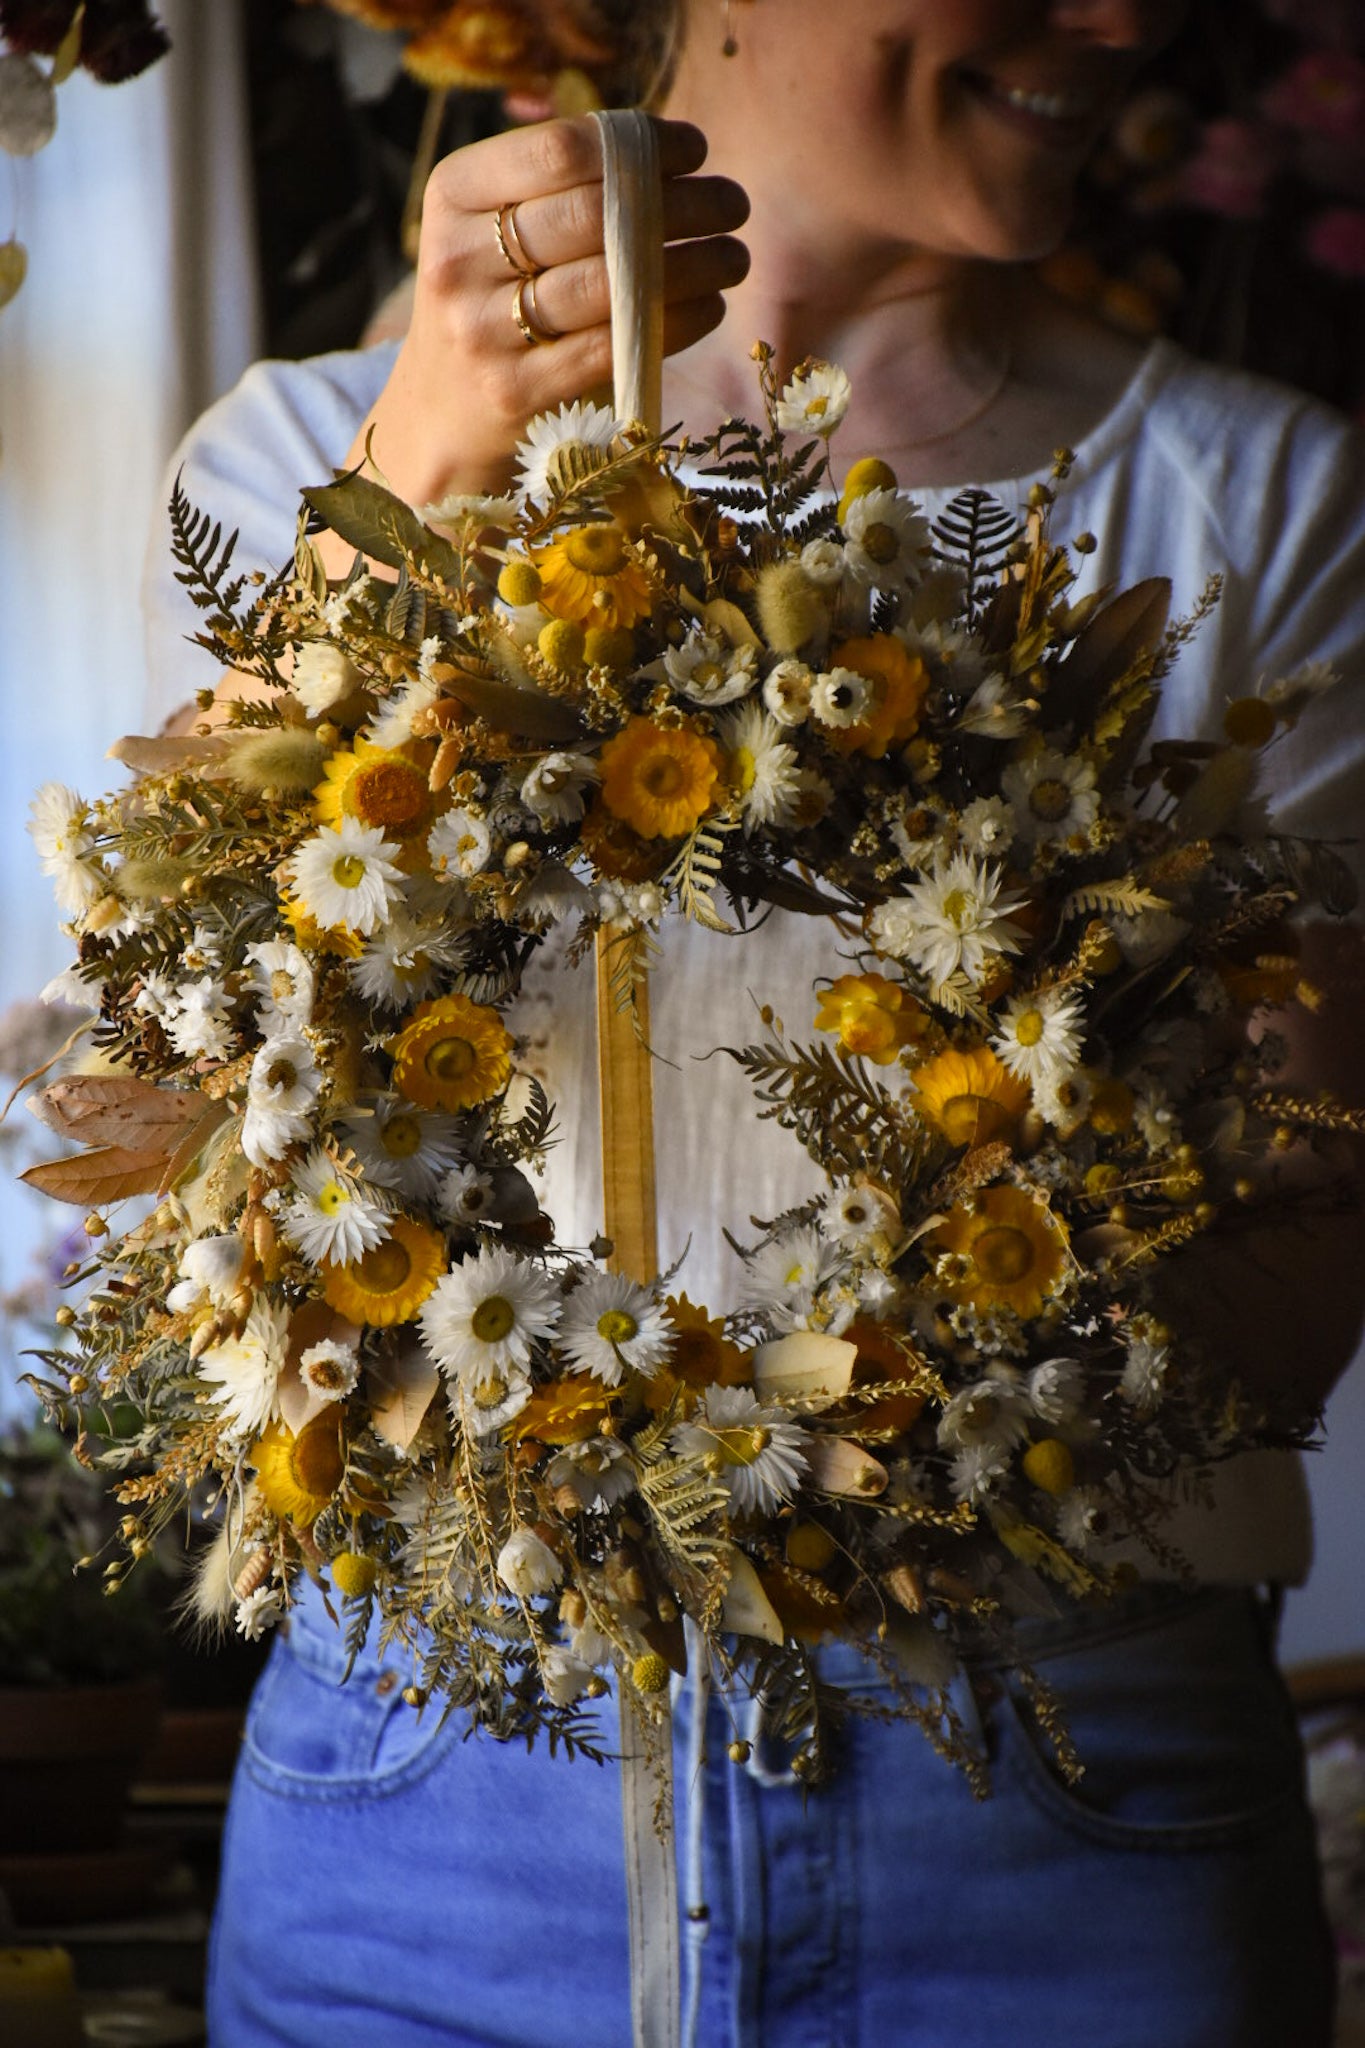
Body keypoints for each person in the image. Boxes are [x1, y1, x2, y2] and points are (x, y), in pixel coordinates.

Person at [143, 4, 1365, 2042]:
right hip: (424, 1819)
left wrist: (862, 1414)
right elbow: (196, 1106)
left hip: (1042, 1814)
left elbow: (1279, 1303)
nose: (1122, 19)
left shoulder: (1254, 508)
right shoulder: (304, 455)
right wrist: (412, 490)